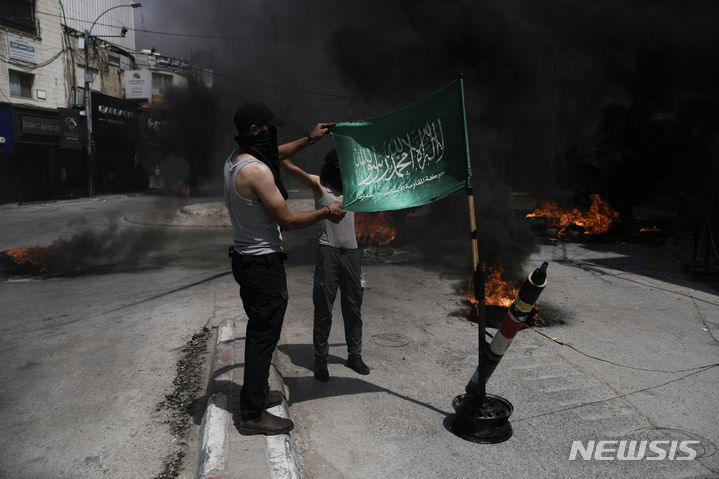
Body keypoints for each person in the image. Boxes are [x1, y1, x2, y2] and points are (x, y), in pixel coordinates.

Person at [224, 102, 346, 435]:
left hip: (246, 260)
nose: (273, 134)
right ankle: (251, 413)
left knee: (261, 333)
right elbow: (288, 220)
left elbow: (275, 153)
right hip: (262, 264)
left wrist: (310, 138)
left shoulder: (237, 159)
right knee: (263, 337)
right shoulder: (257, 172)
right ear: (255, 130)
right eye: (268, 127)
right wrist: (326, 213)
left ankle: (258, 394)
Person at [282, 149, 369, 382]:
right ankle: (321, 359)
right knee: (323, 308)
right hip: (328, 252)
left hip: (351, 253)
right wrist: (311, 141)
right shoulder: (319, 185)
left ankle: (355, 355)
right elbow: (287, 165)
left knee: (353, 307)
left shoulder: (354, 185)